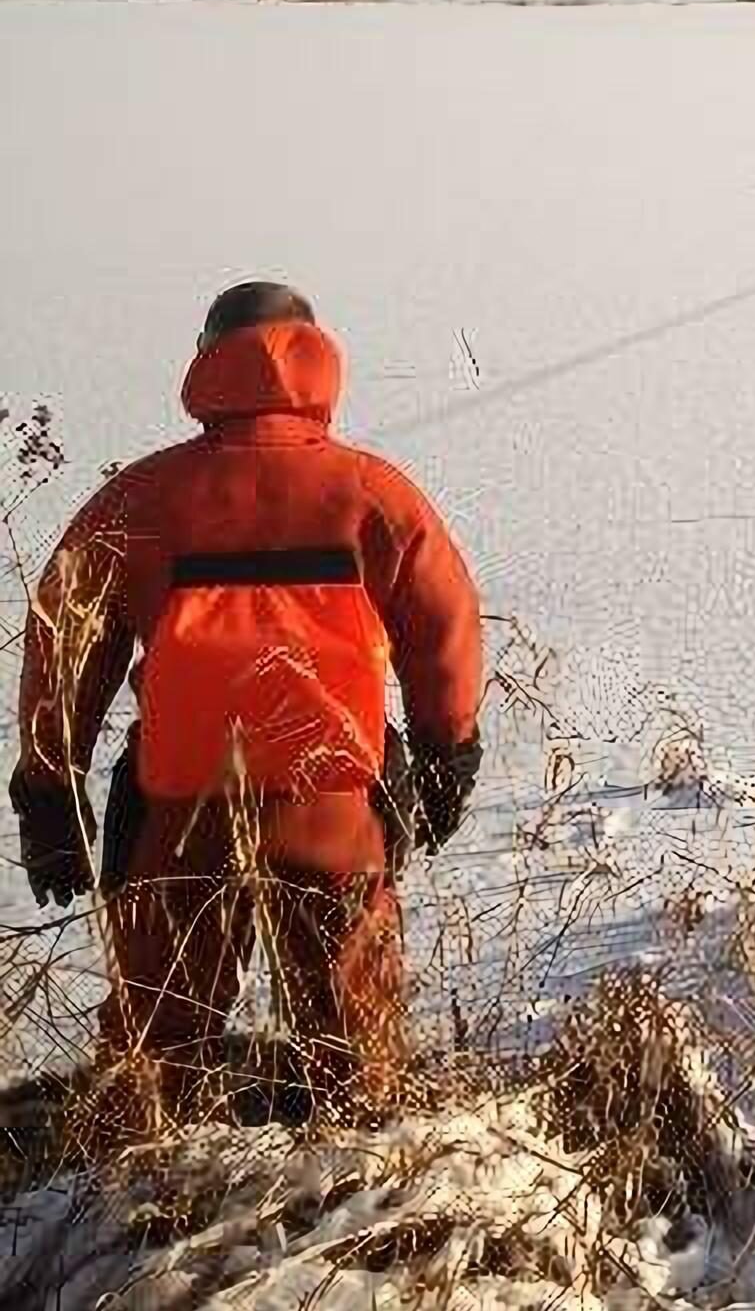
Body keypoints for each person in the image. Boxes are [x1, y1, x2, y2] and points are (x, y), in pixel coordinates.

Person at [10, 282, 483, 1120]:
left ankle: (144, 1175)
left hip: (179, 802)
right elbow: (445, 626)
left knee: (155, 1047)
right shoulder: (374, 492)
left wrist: (51, 786)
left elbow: (64, 643)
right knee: (356, 1042)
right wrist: (448, 753)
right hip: (335, 801)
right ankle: (370, 1170)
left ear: (206, 363)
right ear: (318, 361)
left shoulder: (141, 497)